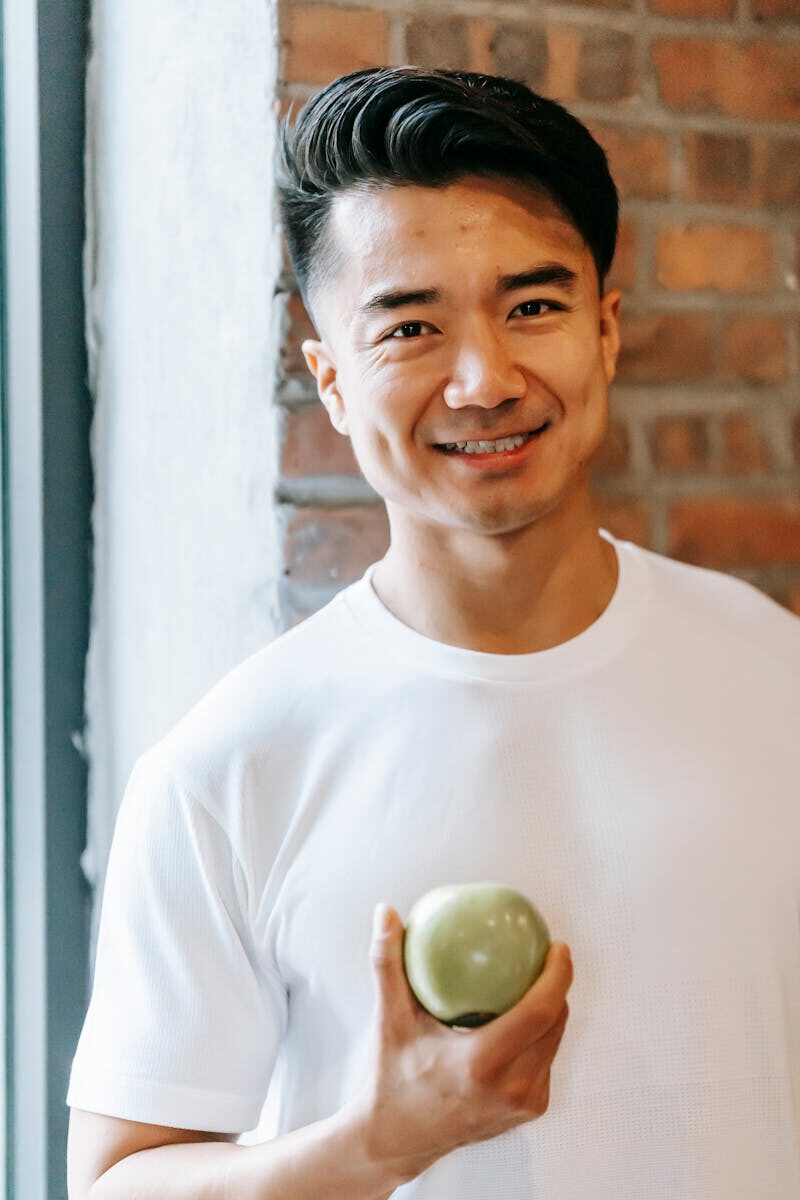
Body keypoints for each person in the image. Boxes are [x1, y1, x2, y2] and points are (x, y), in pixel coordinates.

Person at [66, 66, 800, 1199]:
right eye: (410, 326)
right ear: (332, 382)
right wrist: (379, 1141)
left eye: (533, 308)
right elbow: (115, 1182)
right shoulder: (228, 766)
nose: (483, 380)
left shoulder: (772, 672)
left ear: (605, 334)